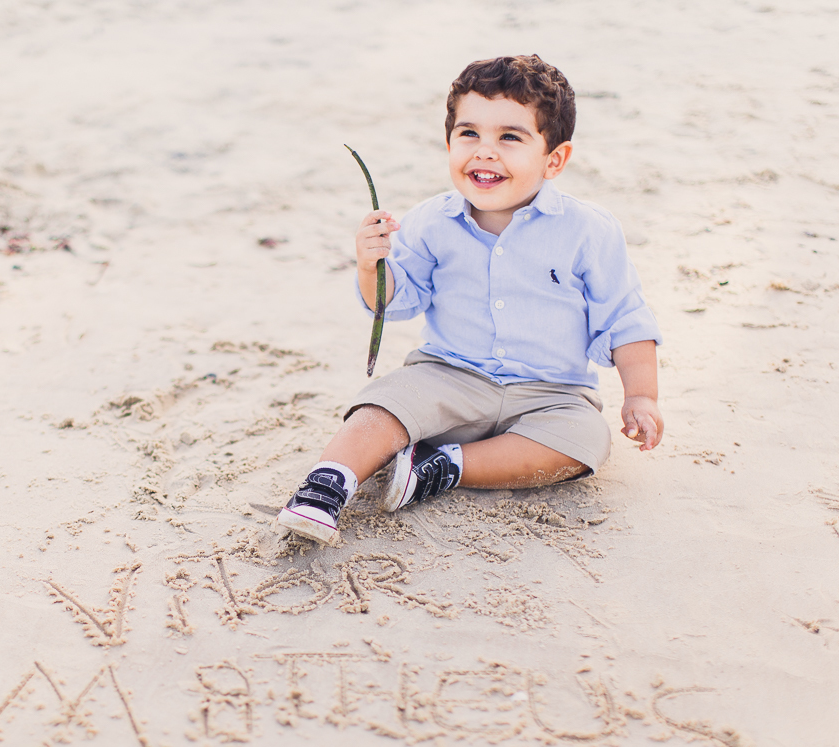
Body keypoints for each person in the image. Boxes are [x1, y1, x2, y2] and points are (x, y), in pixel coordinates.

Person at [277, 54, 664, 546]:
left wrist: (641, 395)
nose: (485, 151)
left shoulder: (588, 231)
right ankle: (327, 485)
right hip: (449, 376)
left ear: (554, 159)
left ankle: (443, 469)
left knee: (586, 440)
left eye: (509, 137)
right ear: (448, 142)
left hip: (550, 393)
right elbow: (397, 301)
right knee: (382, 405)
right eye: (469, 134)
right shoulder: (431, 220)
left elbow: (626, 318)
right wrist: (370, 266)